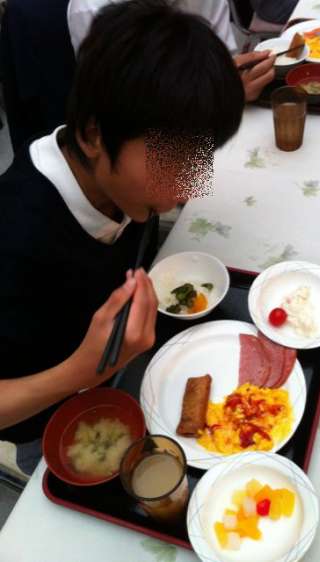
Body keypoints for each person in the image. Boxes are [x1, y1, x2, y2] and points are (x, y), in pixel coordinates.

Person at [0, 0, 244, 471]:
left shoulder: (118, 183)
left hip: (128, 370)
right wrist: (79, 372)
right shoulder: (15, 235)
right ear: (93, 135)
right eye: (173, 161)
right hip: (49, 425)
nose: (187, 189)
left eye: (199, 159)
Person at [67, 0, 275, 103]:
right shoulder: (93, 11)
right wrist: (222, 95)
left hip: (209, 117)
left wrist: (235, 78)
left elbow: (224, 62)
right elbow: (128, 115)